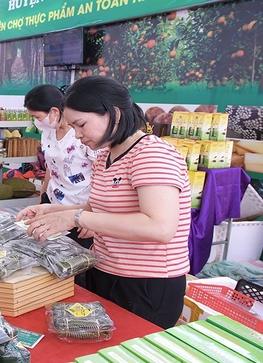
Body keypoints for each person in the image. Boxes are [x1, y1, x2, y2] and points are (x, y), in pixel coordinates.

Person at [16, 76, 190, 329]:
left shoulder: (152, 154)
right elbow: (99, 209)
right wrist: (52, 210)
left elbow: (160, 228)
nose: (77, 135)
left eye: (81, 125)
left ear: (114, 113)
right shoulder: (106, 155)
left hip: (146, 284)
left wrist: (75, 218)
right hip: (105, 270)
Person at [24, 84, 98, 287]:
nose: (37, 122)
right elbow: (51, 166)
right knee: (51, 255)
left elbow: (101, 173)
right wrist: (42, 196)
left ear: (54, 111)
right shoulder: (48, 132)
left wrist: (93, 217)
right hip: (53, 200)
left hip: (79, 206)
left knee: (75, 264)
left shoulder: (82, 135)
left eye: (38, 117)